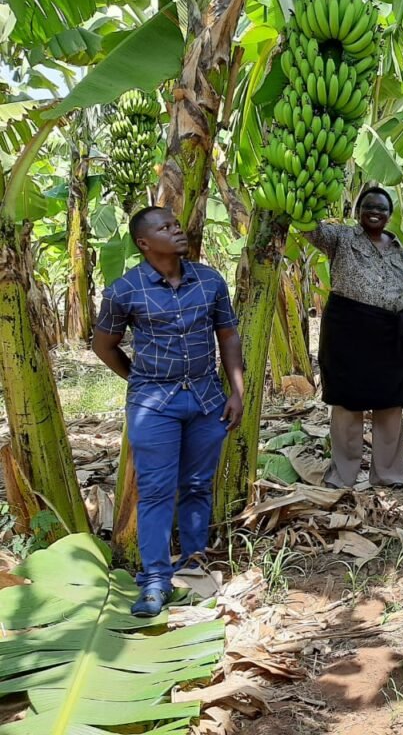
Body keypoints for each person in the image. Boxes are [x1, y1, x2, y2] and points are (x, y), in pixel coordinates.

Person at [93, 206, 244, 617]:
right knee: (157, 490)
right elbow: (104, 346)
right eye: (166, 228)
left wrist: (237, 390)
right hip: (154, 405)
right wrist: (138, 380)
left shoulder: (209, 280)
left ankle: (194, 565)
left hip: (206, 399)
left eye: (177, 225)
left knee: (197, 484)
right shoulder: (124, 290)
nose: (177, 231)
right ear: (144, 243)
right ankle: (155, 581)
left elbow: (228, 336)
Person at [304, 187, 403, 488]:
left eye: (382, 208)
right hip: (348, 330)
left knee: (390, 404)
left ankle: (389, 475)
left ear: (390, 214)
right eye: (368, 206)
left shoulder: (397, 247)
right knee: (347, 405)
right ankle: (343, 474)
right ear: (358, 211)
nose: (375, 212)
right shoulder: (341, 238)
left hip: (388, 333)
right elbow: (308, 227)